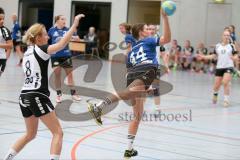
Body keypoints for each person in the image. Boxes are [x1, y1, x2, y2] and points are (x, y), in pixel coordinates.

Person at [87, 10, 171, 158]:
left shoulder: (133, 49)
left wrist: (146, 85)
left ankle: (129, 149)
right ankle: (99, 106)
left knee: (137, 116)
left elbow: (130, 68)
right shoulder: (150, 40)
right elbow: (167, 39)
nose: (149, 30)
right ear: (141, 32)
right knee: (127, 93)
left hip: (134, 73)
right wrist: (165, 18)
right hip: (146, 70)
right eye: (146, 29)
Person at [3, 14, 85, 160]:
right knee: (58, 132)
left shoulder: (28, 51)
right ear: (38, 38)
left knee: (30, 134)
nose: (48, 37)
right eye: (46, 35)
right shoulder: (40, 49)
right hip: (37, 96)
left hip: (24, 97)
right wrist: (74, 25)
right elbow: (61, 44)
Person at [197, 29, 239, 107]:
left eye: (228, 35)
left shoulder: (231, 46)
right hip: (219, 67)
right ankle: (215, 94)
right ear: (222, 36)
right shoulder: (218, 46)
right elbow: (213, 56)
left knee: (225, 82)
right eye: (225, 35)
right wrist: (203, 56)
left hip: (228, 67)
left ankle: (226, 100)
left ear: (229, 37)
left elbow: (236, 55)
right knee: (216, 86)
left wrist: (234, 58)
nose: (226, 36)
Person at [48, 15, 81, 103]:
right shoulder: (51, 30)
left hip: (66, 55)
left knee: (70, 75)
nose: (64, 20)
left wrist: (75, 37)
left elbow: (78, 39)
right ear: (57, 21)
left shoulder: (68, 30)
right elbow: (46, 41)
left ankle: (73, 94)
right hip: (55, 56)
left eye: (65, 19)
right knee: (57, 75)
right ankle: (59, 94)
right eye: (62, 19)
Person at [0, 7, 13, 77]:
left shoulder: (5, 30)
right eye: (0, 19)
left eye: (3, 19)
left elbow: (10, 45)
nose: (2, 21)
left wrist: (5, 59)